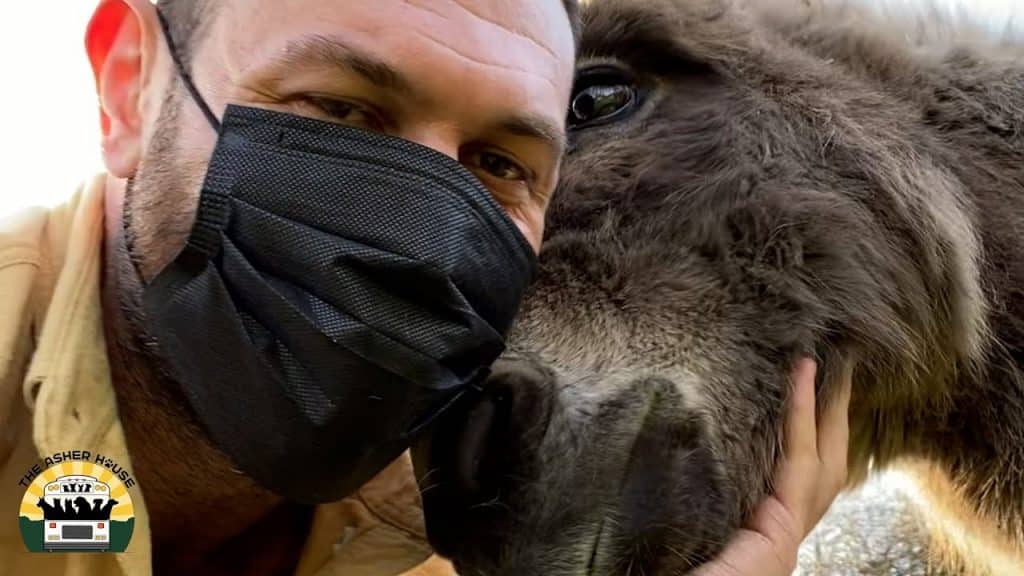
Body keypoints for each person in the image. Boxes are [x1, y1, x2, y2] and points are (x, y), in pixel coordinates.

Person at [0, 1, 848, 575]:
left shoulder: (474, 505)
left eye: (499, 163)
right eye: (341, 109)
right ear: (128, 89)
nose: (431, 245)